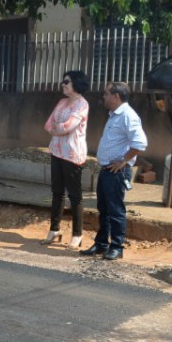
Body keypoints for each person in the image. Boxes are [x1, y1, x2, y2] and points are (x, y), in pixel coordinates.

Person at [80, 81, 148, 261]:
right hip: (106, 169)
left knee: (116, 210)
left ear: (116, 96)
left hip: (117, 171)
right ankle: (101, 243)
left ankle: (117, 246)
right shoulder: (114, 115)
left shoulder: (128, 115)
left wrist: (124, 161)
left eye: (106, 94)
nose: (103, 97)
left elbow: (140, 143)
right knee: (103, 208)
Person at [41, 70, 90, 250]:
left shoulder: (82, 104)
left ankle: (77, 234)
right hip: (56, 151)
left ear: (76, 84)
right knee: (57, 192)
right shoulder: (62, 102)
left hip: (72, 154)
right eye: (63, 82)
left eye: (66, 82)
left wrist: (58, 128)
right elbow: (48, 125)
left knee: (75, 195)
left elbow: (68, 127)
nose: (63, 84)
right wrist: (58, 128)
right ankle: (55, 229)